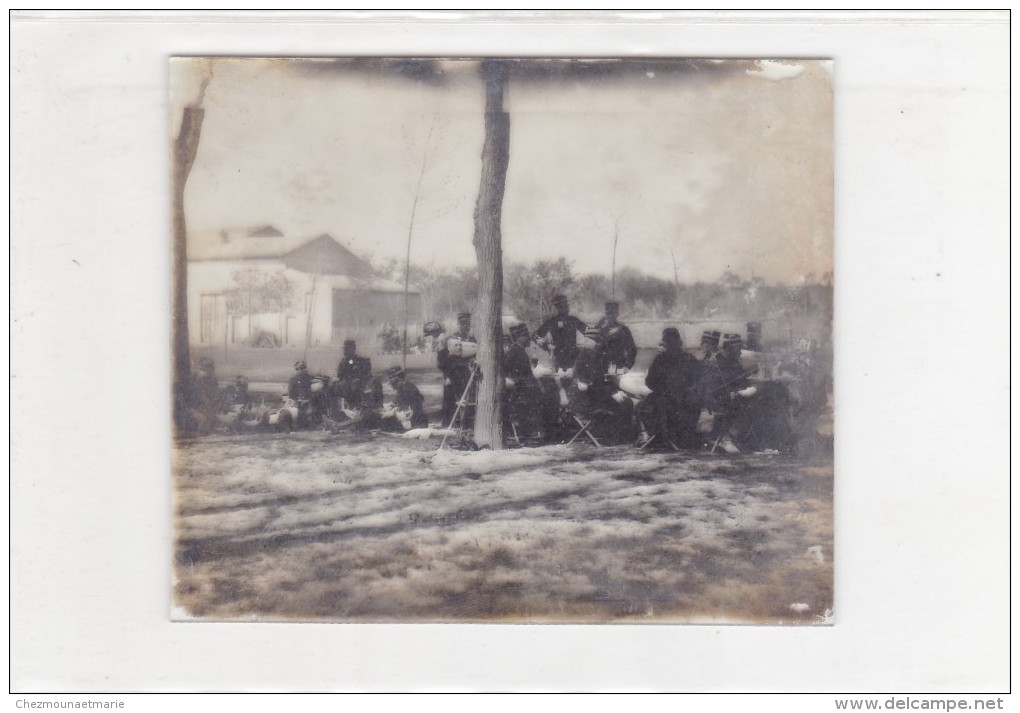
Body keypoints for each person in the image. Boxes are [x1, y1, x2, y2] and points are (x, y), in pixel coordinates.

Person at [640, 328, 703, 448]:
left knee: (647, 405)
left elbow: (650, 382)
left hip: (672, 401)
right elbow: (698, 382)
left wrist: (665, 391)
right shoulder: (689, 359)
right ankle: (673, 438)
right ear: (680, 343)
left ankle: (660, 437)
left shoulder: (660, 359)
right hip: (684, 402)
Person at [570, 326, 634, 444]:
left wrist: (615, 391)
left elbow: (601, 381)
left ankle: (618, 437)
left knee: (626, 402)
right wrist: (611, 393)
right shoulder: (584, 358)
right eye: (595, 341)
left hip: (593, 395)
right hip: (583, 400)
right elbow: (584, 387)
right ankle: (612, 437)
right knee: (622, 403)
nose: (599, 345)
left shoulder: (598, 355)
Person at [503, 323, 544, 445]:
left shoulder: (520, 351)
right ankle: (528, 434)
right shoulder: (513, 352)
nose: (528, 338)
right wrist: (514, 381)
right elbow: (504, 370)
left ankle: (535, 432)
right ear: (518, 337)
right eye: (526, 335)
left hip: (525, 388)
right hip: (518, 390)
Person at [437, 312, 477, 426]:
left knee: (469, 398)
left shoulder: (472, 338)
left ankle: (467, 423)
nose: (466, 326)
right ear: (458, 324)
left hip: (467, 372)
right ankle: (450, 424)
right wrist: (447, 376)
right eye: (463, 324)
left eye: (467, 324)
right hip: (454, 372)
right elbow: (443, 360)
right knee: (453, 398)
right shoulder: (451, 339)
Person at [534, 294, 587, 371]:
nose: (567, 308)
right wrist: (548, 348)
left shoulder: (573, 320)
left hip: (573, 357)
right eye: (564, 306)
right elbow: (536, 337)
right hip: (558, 358)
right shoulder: (551, 322)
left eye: (567, 305)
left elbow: (588, 332)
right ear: (557, 307)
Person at [381, 366, 428, 431]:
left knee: (387, 416)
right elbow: (397, 401)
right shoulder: (405, 384)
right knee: (389, 412)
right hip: (417, 416)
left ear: (397, 379)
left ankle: (399, 428)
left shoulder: (403, 385)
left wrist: (389, 411)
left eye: (390, 380)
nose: (390, 384)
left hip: (413, 416)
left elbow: (399, 404)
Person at [595, 301, 637, 373]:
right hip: (599, 366)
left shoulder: (623, 330)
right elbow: (591, 346)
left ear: (617, 314)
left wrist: (627, 366)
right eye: (608, 312)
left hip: (617, 366)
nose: (609, 315)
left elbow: (632, 349)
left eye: (612, 312)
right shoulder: (598, 328)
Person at [333, 339, 372, 410]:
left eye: (347, 349)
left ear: (353, 349)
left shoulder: (360, 361)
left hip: (356, 385)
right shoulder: (343, 361)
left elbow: (365, 375)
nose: (345, 351)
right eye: (345, 349)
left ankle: (356, 407)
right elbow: (339, 374)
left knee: (355, 384)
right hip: (345, 385)